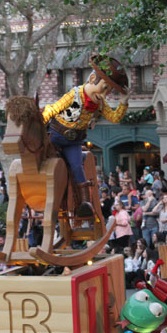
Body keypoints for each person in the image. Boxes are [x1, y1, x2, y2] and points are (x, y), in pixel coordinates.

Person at [42, 55, 129, 217]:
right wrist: (41, 123)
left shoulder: (100, 103)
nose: (104, 95)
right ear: (92, 78)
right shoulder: (74, 94)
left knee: (77, 166)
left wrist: (123, 102)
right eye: (104, 88)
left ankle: (84, 204)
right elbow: (52, 109)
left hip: (73, 141)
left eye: (108, 92)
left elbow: (115, 118)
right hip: (55, 136)